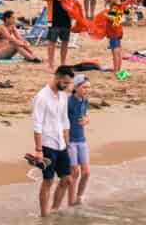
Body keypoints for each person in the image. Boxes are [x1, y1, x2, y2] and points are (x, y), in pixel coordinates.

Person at [31, 66, 74, 217]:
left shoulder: (63, 96)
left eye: (69, 84)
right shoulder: (42, 97)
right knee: (48, 181)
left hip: (61, 143)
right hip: (47, 144)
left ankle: (54, 210)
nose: (67, 86)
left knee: (67, 179)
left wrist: (67, 142)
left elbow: (64, 120)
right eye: (65, 83)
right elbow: (37, 124)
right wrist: (38, 150)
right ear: (57, 77)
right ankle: (44, 215)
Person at [41, 0, 74, 71]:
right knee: (52, 41)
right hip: (54, 15)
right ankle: (51, 65)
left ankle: (63, 63)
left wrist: (75, 1)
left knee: (65, 41)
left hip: (66, 15)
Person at [66, 75, 91, 207]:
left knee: (86, 173)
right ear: (75, 87)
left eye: (89, 87)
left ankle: (79, 198)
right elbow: (61, 120)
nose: (87, 90)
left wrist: (87, 119)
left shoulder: (85, 101)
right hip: (70, 142)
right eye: (84, 87)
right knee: (74, 172)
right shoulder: (68, 102)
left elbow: (85, 114)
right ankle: (70, 201)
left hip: (82, 140)